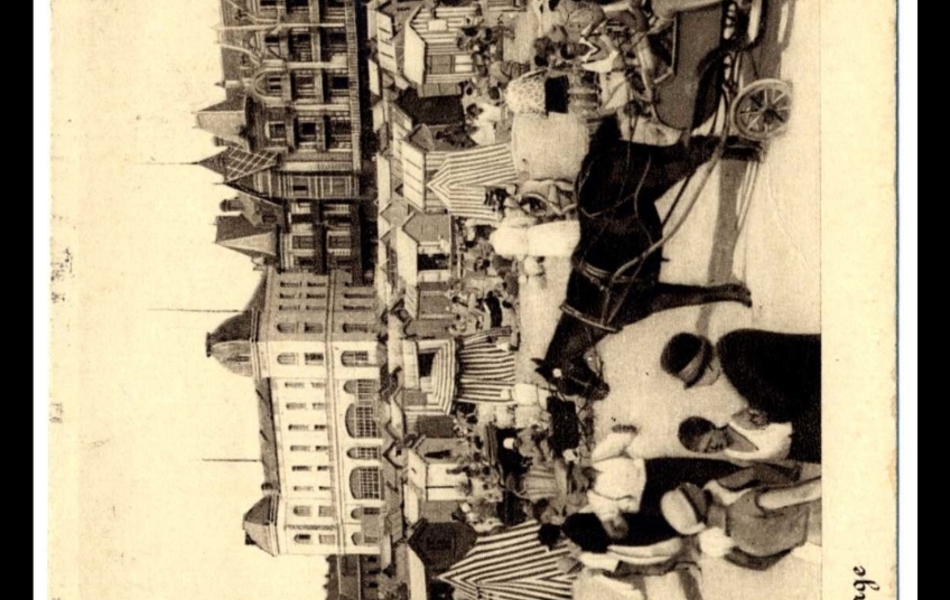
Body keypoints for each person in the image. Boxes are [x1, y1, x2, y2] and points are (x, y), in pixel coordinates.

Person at [661, 329, 821, 463]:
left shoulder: (735, 364)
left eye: (695, 380)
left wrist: (766, 415)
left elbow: (786, 405)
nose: (698, 386)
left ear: (706, 367)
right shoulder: (728, 347)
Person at [660, 470, 821, 568]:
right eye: (687, 489)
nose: (691, 484)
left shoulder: (742, 544)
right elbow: (802, 494)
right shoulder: (744, 505)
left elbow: (764, 563)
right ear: (694, 502)